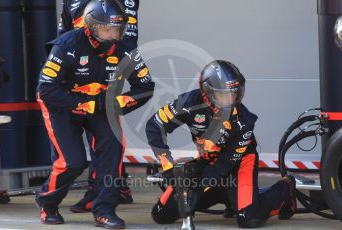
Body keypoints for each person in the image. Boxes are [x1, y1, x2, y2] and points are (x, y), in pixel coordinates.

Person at [35, 0, 154, 228]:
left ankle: (104, 209)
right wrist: (86, 104)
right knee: (73, 162)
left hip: (100, 104)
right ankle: (47, 202)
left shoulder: (125, 48)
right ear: (91, 27)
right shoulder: (66, 44)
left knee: (112, 148)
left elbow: (146, 87)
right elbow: (46, 89)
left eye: (117, 28)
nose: (113, 34)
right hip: (61, 103)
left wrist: (115, 104)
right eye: (107, 29)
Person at [145, 60, 296, 228]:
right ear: (207, 93)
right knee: (161, 214)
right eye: (224, 94)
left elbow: (225, 164)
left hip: (240, 163)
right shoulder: (187, 103)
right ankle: (229, 196)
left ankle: (286, 187)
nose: (231, 99)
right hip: (208, 160)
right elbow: (154, 125)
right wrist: (167, 166)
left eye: (234, 93)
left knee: (249, 218)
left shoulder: (245, 121)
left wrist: (200, 187)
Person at [57, 0, 140, 211]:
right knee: (73, 137)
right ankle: (110, 186)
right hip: (76, 66)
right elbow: (63, 32)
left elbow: (127, 36)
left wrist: (122, 63)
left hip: (108, 61)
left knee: (105, 136)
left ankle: (104, 190)